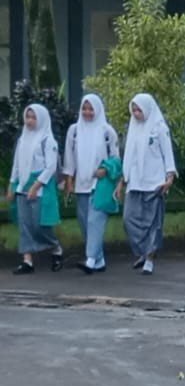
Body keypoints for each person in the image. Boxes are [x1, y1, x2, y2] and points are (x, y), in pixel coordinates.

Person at [116, 92, 177, 275]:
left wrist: (169, 177)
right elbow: (129, 157)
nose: (136, 114)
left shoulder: (159, 128)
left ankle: (149, 258)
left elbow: (167, 153)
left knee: (153, 223)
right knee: (128, 220)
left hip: (154, 182)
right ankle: (142, 251)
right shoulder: (133, 128)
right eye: (133, 110)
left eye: (139, 110)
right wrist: (122, 181)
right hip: (135, 182)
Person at [60, 93, 119, 273]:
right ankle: (99, 259)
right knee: (85, 223)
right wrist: (69, 182)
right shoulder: (74, 131)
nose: (87, 112)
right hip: (81, 184)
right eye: (84, 109)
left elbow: (116, 159)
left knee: (95, 221)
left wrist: (106, 170)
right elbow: (69, 159)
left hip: (101, 185)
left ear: (98, 109)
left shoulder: (107, 131)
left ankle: (91, 260)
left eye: (91, 109)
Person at [6, 103, 64, 274]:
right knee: (24, 224)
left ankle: (55, 248)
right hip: (22, 185)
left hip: (40, 188)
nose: (29, 121)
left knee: (39, 225)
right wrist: (12, 184)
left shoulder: (48, 140)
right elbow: (17, 164)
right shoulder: (23, 139)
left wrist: (36, 185)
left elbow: (50, 167)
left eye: (33, 117)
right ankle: (27, 261)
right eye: (27, 117)